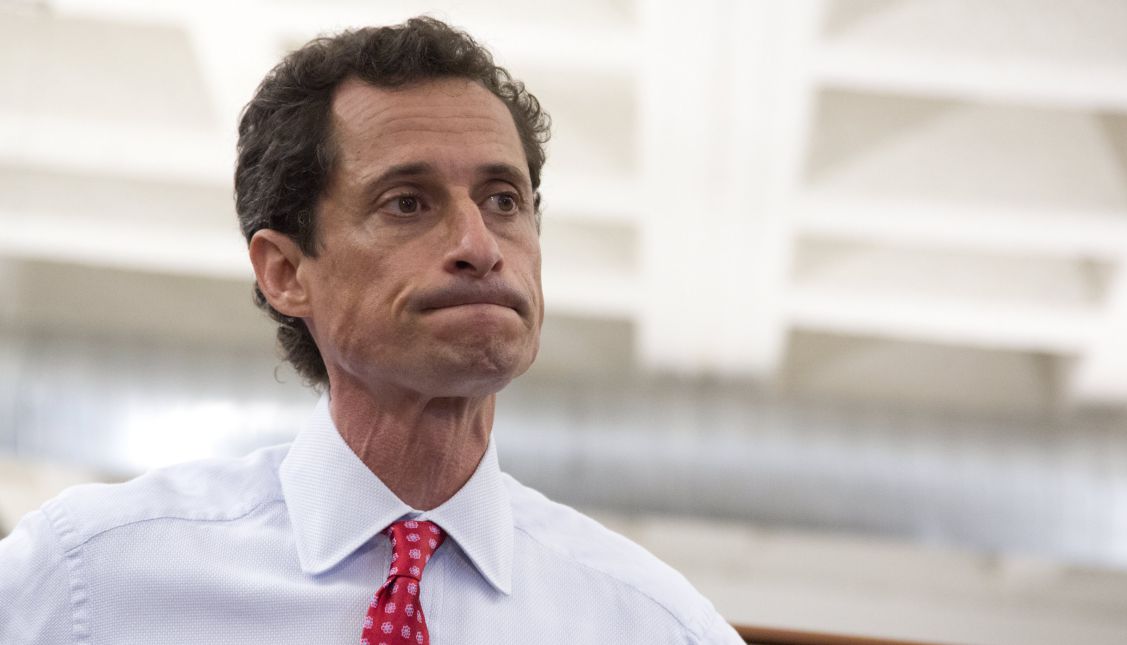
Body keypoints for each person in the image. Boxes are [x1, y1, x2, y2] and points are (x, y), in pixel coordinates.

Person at [0, 17, 744, 644]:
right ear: (287, 271)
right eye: (408, 203)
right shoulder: (86, 580)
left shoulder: (658, 626)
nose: (479, 244)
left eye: (503, 199)